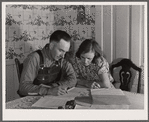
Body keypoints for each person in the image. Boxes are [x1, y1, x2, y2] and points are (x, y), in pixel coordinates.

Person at [19, 30, 77, 96]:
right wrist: (48, 91)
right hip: (35, 99)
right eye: (61, 50)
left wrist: (56, 85)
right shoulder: (34, 58)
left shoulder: (62, 59)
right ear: (51, 46)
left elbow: (73, 79)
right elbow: (23, 88)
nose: (63, 56)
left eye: (65, 52)